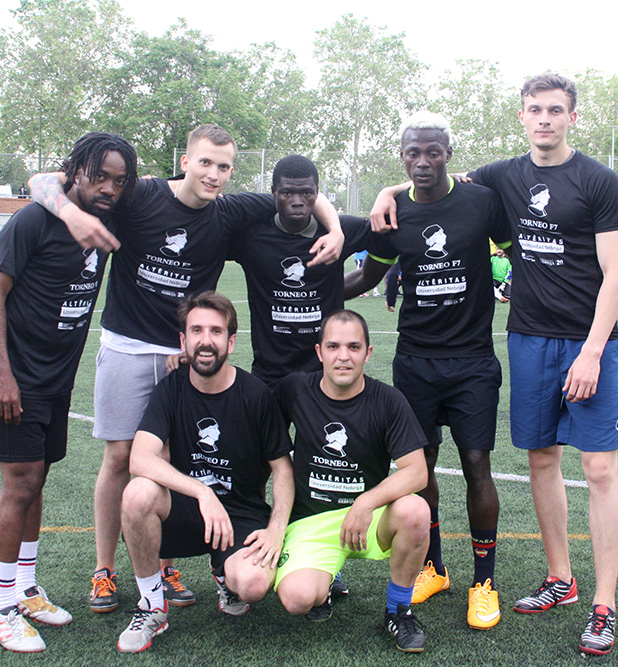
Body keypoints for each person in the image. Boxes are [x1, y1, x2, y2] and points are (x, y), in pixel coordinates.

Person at [28, 125, 342, 613]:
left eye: (224, 166)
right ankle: (104, 570)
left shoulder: (229, 210)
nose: (214, 174)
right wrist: (70, 213)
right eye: (205, 163)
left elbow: (301, 195)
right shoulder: (144, 193)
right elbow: (42, 181)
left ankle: (166, 568)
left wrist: (336, 229)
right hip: (129, 346)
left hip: (190, 352)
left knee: (175, 457)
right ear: (186, 161)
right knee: (120, 458)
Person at [371, 73, 618, 656]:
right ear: (522, 116)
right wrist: (389, 190)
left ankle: (604, 604)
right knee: (541, 459)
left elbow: (617, 272)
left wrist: (592, 350)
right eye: (535, 109)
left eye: (555, 110)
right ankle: (561, 578)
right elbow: (433, 175)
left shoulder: (598, 180)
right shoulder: (501, 176)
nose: (545, 119)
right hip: (529, 338)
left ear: (571, 117)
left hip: (588, 341)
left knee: (598, 470)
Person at [347, 111, 512, 631]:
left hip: (472, 362)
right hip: (416, 362)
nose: (423, 161)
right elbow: (366, 276)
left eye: (432, 152)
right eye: (413, 153)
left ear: (447, 153)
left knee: (477, 464)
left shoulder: (481, 202)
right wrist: (313, 295)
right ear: (402, 156)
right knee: (421, 468)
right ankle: (434, 568)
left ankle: (483, 582)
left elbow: (521, 257)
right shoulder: (393, 211)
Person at [0, 132, 138, 652]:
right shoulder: (34, 219)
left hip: (54, 379)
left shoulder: (108, 216)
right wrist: (2, 372)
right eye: (99, 176)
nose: (109, 188)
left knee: (37, 479)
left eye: (119, 180)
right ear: (76, 171)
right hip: (14, 375)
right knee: (19, 483)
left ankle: (24, 589)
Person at [114, 292, 294, 653]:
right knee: (137, 494)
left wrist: (276, 529)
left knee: (254, 585)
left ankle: (226, 574)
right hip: (187, 509)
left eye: (215, 331)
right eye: (196, 330)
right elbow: (140, 459)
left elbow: (283, 470)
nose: (205, 340)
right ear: (184, 340)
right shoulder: (170, 389)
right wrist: (202, 491)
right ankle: (152, 606)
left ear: (231, 341)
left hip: (240, 514)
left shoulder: (255, 394)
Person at [274, 310, 430, 652]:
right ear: (319, 352)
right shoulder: (295, 390)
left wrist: (366, 502)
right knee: (297, 599)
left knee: (416, 511)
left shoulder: (387, 400)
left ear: (368, 353)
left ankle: (398, 611)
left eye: (353, 347)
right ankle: (325, 580)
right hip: (311, 523)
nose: (343, 356)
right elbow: (260, 430)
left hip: (368, 520)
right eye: (333, 346)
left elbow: (417, 471)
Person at [227, 155, 371, 389]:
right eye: (287, 193)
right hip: (269, 374)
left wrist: (359, 281)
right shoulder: (251, 236)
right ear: (273, 193)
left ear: (317, 194)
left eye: (306, 193)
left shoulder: (339, 232)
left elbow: (388, 238)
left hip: (326, 374)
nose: (297, 201)